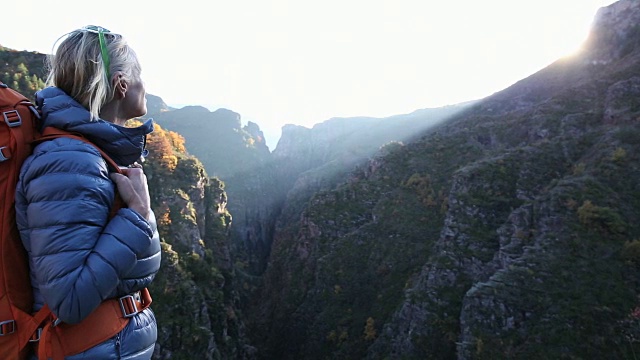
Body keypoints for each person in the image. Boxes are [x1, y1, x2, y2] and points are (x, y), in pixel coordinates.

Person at [14, 25, 161, 359]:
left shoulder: (85, 154)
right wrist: (138, 216)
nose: (146, 86)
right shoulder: (70, 161)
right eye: (140, 75)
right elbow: (68, 299)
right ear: (122, 84)